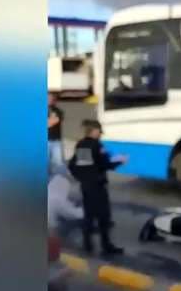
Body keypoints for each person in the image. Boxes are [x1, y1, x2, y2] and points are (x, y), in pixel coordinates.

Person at [68, 120, 127, 255]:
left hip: (86, 186)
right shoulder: (97, 145)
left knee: (89, 215)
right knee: (103, 216)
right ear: (94, 131)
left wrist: (81, 178)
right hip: (97, 186)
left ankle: (87, 245)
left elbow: (78, 166)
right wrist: (120, 161)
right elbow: (105, 164)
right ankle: (106, 246)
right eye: (99, 131)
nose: (100, 134)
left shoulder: (81, 144)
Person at [48, 91, 65, 175]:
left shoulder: (58, 111)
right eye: (48, 97)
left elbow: (54, 122)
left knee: (58, 164)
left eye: (52, 97)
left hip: (56, 141)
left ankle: (57, 179)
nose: (50, 99)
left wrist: (50, 121)